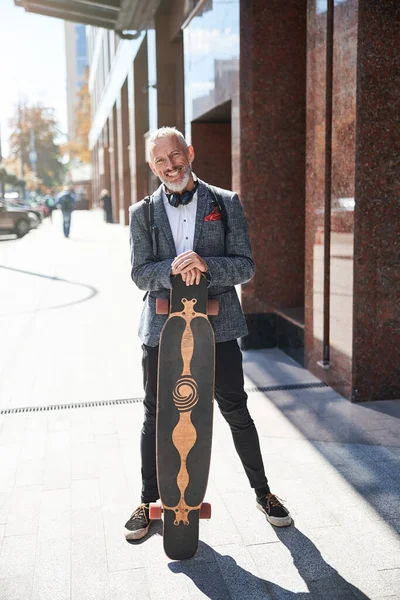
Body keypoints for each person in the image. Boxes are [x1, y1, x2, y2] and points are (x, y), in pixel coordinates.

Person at [125, 127, 292, 541]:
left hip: (218, 328)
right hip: (162, 331)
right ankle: (148, 503)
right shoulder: (141, 213)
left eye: (175, 156)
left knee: (236, 409)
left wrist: (206, 264)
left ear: (191, 153)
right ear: (152, 166)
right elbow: (139, 273)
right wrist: (171, 270)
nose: (170, 166)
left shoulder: (225, 202)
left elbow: (246, 265)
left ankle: (264, 493)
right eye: (160, 161)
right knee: (155, 414)